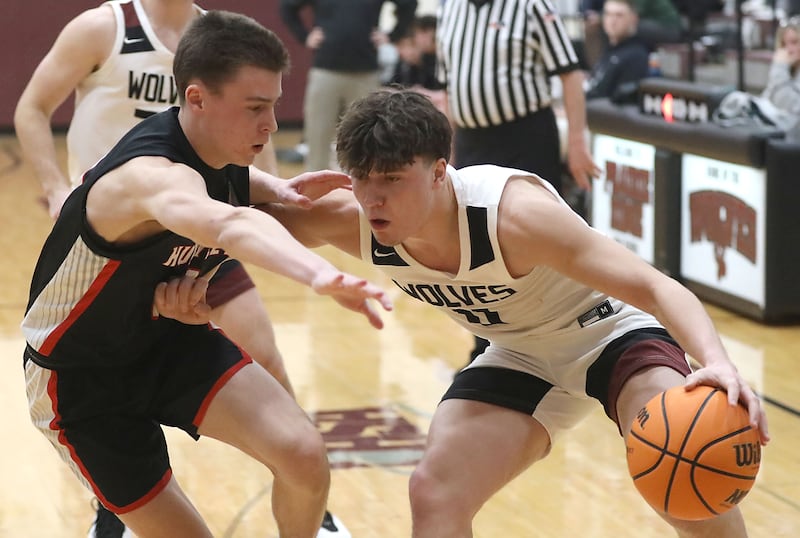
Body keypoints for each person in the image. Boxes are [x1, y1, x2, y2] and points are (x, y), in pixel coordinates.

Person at [253, 89, 769, 537]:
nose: (373, 197)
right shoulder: (356, 218)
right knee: (434, 491)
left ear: (438, 172)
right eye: (361, 179)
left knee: (686, 470)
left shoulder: (515, 217)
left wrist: (716, 361)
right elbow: (234, 222)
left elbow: (654, 286)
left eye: (391, 179)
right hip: (521, 355)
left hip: (610, 334)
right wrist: (259, 194)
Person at [21, 11, 392, 538]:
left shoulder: (222, 156)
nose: (270, 124)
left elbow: (250, 201)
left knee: (305, 456)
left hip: (166, 343)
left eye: (275, 106)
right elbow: (227, 223)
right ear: (196, 98)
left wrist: (278, 190)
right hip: (80, 380)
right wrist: (321, 277)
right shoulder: (152, 178)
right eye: (256, 108)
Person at [437, 0, 601, 363]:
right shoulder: (449, 8)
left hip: (525, 136)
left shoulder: (529, 5)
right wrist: (446, 151)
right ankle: (488, 346)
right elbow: (448, 84)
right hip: (472, 141)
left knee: (534, 241)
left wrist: (576, 142)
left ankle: (556, 338)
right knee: (473, 245)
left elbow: (571, 73)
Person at [279, 0, 418, 172]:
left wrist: (393, 35)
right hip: (325, 69)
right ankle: (314, 188)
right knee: (317, 134)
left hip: (365, 72)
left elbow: (409, 4)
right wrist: (304, 35)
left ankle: (359, 187)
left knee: (365, 135)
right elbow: (287, 7)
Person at [585, 0, 651, 101]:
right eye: (608, 14)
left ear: (633, 18)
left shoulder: (636, 56)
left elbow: (618, 103)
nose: (613, 20)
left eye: (619, 15)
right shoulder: (609, 49)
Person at [760, 16, 800, 140]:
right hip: (777, 137)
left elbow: (786, 105)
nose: (788, 49)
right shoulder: (788, 69)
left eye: (794, 42)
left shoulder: (781, 69)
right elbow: (766, 101)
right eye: (783, 44)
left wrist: (779, 68)